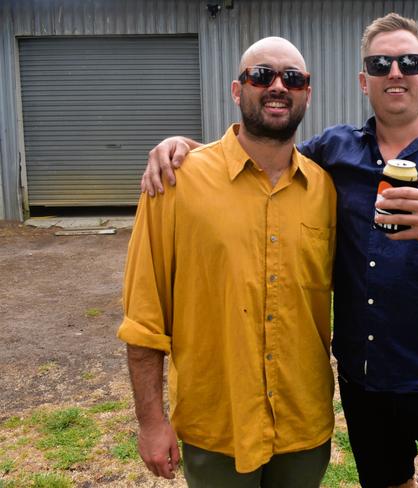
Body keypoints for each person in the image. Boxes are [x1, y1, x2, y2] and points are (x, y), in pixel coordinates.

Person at [142, 13, 418, 488]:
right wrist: (186, 150)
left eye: (409, 62)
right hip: (365, 380)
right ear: (363, 80)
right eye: (381, 63)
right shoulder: (334, 152)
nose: (396, 72)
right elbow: (264, 147)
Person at [118, 36, 337, 487]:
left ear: (307, 93)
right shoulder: (176, 183)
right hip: (216, 424)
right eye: (262, 75)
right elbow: (143, 315)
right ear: (238, 91)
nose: (278, 86)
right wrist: (150, 421)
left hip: (303, 423)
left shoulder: (325, 190)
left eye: (292, 78)